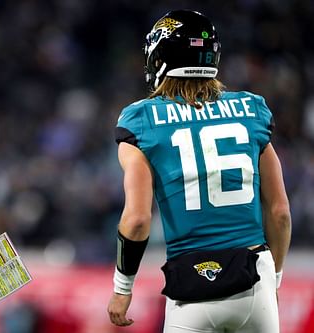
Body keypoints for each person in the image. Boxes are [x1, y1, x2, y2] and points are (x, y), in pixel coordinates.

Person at [107, 10, 291, 333]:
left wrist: (123, 288)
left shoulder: (141, 120)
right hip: (255, 281)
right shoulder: (251, 109)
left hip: (191, 287)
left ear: (160, 58)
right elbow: (280, 213)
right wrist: (274, 280)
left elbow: (137, 219)